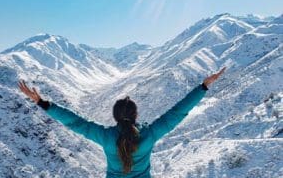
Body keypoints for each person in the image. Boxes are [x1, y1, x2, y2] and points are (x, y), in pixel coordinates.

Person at [18, 67, 226, 177]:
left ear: (115, 116)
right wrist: (203, 87)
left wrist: (43, 103)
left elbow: (75, 122)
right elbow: (176, 113)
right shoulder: (149, 135)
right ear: (135, 115)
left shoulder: (106, 137)